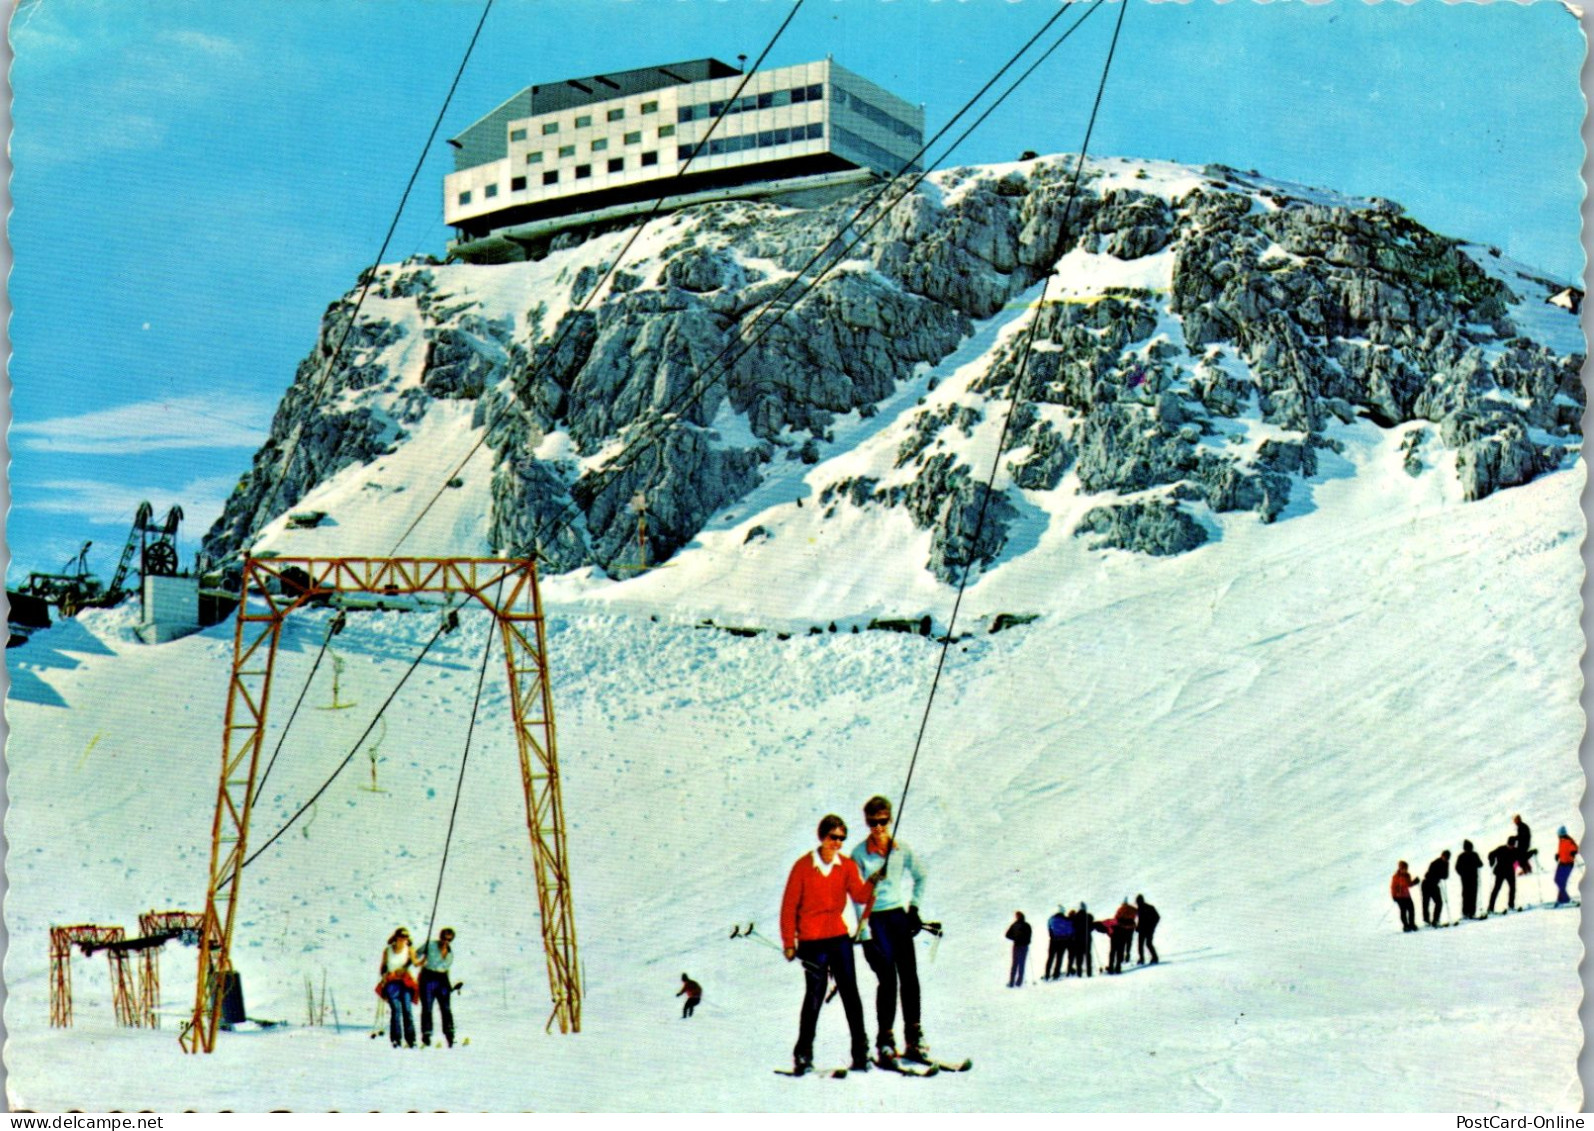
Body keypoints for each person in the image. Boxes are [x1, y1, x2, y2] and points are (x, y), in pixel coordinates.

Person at [781, 813, 876, 1075]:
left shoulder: (844, 865)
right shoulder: (803, 867)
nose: (837, 843)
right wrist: (789, 941)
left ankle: (861, 1053)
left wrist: (872, 883)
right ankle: (803, 1055)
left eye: (842, 839)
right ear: (822, 836)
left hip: (838, 937)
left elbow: (858, 894)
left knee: (850, 993)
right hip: (811, 941)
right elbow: (789, 906)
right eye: (833, 837)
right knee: (814, 995)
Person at [850, 795, 929, 1063]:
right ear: (867, 822)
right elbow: (856, 896)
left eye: (883, 821)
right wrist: (863, 932)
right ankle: (885, 1040)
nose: (879, 827)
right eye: (873, 822)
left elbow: (921, 875)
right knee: (888, 979)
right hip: (875, 919)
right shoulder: (859, 854)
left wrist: (914, 909)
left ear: (890, 819)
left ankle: (913, 1038)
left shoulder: (901, 849)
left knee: (910, 976)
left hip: (897, 916)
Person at [414, 928, 457, 1047]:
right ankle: (426, 1035)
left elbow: (445, 969)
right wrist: (421, 960)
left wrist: (448, 985)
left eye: (449, 939)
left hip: (442, 979)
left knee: (446, 1008)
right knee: (427, 1007)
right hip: (428, 977)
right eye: (444, 938)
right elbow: (416, 954)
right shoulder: (430, 945)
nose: (446, 941)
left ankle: (450, 1034)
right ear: (440, 937)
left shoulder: (450, 953)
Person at [377, 927, 419, 1048]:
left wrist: (422, 960)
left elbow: (415, 962)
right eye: (401, 937)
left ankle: (411, 1039)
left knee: (407, 1010)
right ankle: (396, 1039)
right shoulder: (388, 951)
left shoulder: (409, 950)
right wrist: (384, 974)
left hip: (405, 982)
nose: (402, 940)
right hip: (391, 983)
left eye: (405, 938)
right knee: (396, 1010)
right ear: (395, 937)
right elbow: (383, 967)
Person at [1487, 837, 1519, 915]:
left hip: (1510, 872)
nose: (1511, 846)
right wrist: (1492, 861)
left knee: (1513, 888)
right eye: (1510, 845)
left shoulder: (1515, 850)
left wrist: (1532, 852)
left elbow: (1521, 857)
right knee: (1496, 889)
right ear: (1508, 843)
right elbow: (1491, 854)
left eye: (1512, 845)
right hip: (1500, 872)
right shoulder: (1501, 849)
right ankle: (1490, 908)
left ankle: (1511, 905)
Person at [1421, 850, 1450, 927]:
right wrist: (1440, 874)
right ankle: (1426, 920)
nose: (1446, 859)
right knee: (1426, 902)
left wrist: (1441, 874)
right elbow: (1431, 874)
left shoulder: (1446, 863)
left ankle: (1435, 920)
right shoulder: (1435, 863)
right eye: (1445, 857)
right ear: (1442, 856)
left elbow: (1446, 876)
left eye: (1447, 858)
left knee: (1439, 902)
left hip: (1434, 884)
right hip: (1427, 883)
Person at [1455, 840, 1483, 920]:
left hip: (1465, 879)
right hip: (1473, 878)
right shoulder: (1474, 854)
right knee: (1473, 895)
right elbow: (1480, 864)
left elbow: (1457, 867)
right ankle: (1471, 912)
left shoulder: (1461, 856)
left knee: (1466, 895)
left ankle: (1465, 912)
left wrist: (1461, 874)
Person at [1108, 898, 1137, 974]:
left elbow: (1115, 919)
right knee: (1121, 948)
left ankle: (1111, 967)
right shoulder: (1132, 909)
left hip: (1117, 932)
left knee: (1113, 950)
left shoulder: (1120, 910)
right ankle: (1118, 966)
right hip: (1128, 931)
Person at [1044, 905, 1072, 981]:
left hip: (1053, 941)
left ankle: (1047, 974)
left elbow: (1049, 928)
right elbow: (1070, 931)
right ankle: (1056, 974)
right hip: (1063, 941)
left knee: (1050, 958)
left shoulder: (1051, 919)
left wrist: (1052, 936)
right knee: (1059, 958)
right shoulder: (1067, 920)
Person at [1390, 862, 1419, 932]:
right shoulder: (1396, 876)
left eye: (1406, 868)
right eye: (1404, 868)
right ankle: (1405, 926)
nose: (1406, 870)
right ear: (1400, 868)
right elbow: (1393, 887)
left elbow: (1408, 884)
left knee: (1411, 909)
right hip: (1399, 896)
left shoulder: (1407, 875)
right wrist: (1394, 896)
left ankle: (1412, 924)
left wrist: (1415, 882)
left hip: (1407, 896)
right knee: (1403, 911)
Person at [1005, 912, 1031, 987]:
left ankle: (1011, 982)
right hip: (1024, 947)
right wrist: (1027, 941)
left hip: (1016, 946)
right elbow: (1029, 937)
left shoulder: (1014, 925)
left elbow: (1007, 935)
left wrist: (1015, 938)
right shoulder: (1027, 925)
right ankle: (1019, 982)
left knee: (1014, 964)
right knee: (1021, 964)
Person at [1067, 903, 1094, 977]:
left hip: (1077, 938)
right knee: (1087, 954)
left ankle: (1079, 972)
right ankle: (1089, 972)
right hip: (1087, 938)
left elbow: (1073, 926)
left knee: (1079, 955)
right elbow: (1091, 927)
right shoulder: (1089, 916)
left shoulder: (1075, 917)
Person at [1553, 827, 1579, 905]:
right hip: (1561, 863)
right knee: (1557, 880)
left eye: (1559, 834)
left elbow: (1575, 848)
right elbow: (1561, 850)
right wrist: (1558, 855)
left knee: (1562, 882)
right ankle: (1563, 898)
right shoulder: (1561, 841)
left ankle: (1564, 898)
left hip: (1568, 864)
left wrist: (1573, 852)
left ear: (1561, 834)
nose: (1558, 836)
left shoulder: (1569, 840)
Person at [1135, 894, 1160, 965]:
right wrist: (1137, 927)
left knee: (1147, 944)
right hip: (1143, 929)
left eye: (1138, 902)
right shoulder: (1140, 909)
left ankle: (1154, 958)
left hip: (1148, 929)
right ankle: (1142, 959)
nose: (1137, 903)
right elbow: (1140, 920)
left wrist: (1152, 926)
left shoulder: (1149, 907)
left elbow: (1157, 917)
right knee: (1142, 945)